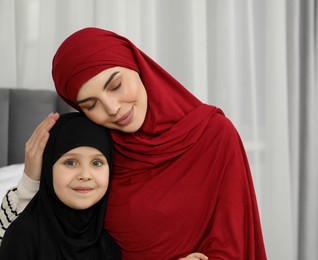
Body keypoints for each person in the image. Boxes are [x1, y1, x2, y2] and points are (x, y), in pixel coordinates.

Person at [0, 27, 267, 259]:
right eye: (91, 105)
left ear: (137, 64)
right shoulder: (97, 153)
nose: (113, 109)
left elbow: (234, 244)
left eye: (115, 85)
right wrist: (30, 181)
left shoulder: (215, 135)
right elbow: (48, 232)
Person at [0, 112, 122, 259]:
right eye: (70, 162)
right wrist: (29, 183)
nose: (85, 175)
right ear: (48, 168)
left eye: (97, 163)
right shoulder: (23, 234)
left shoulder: (113, 239)